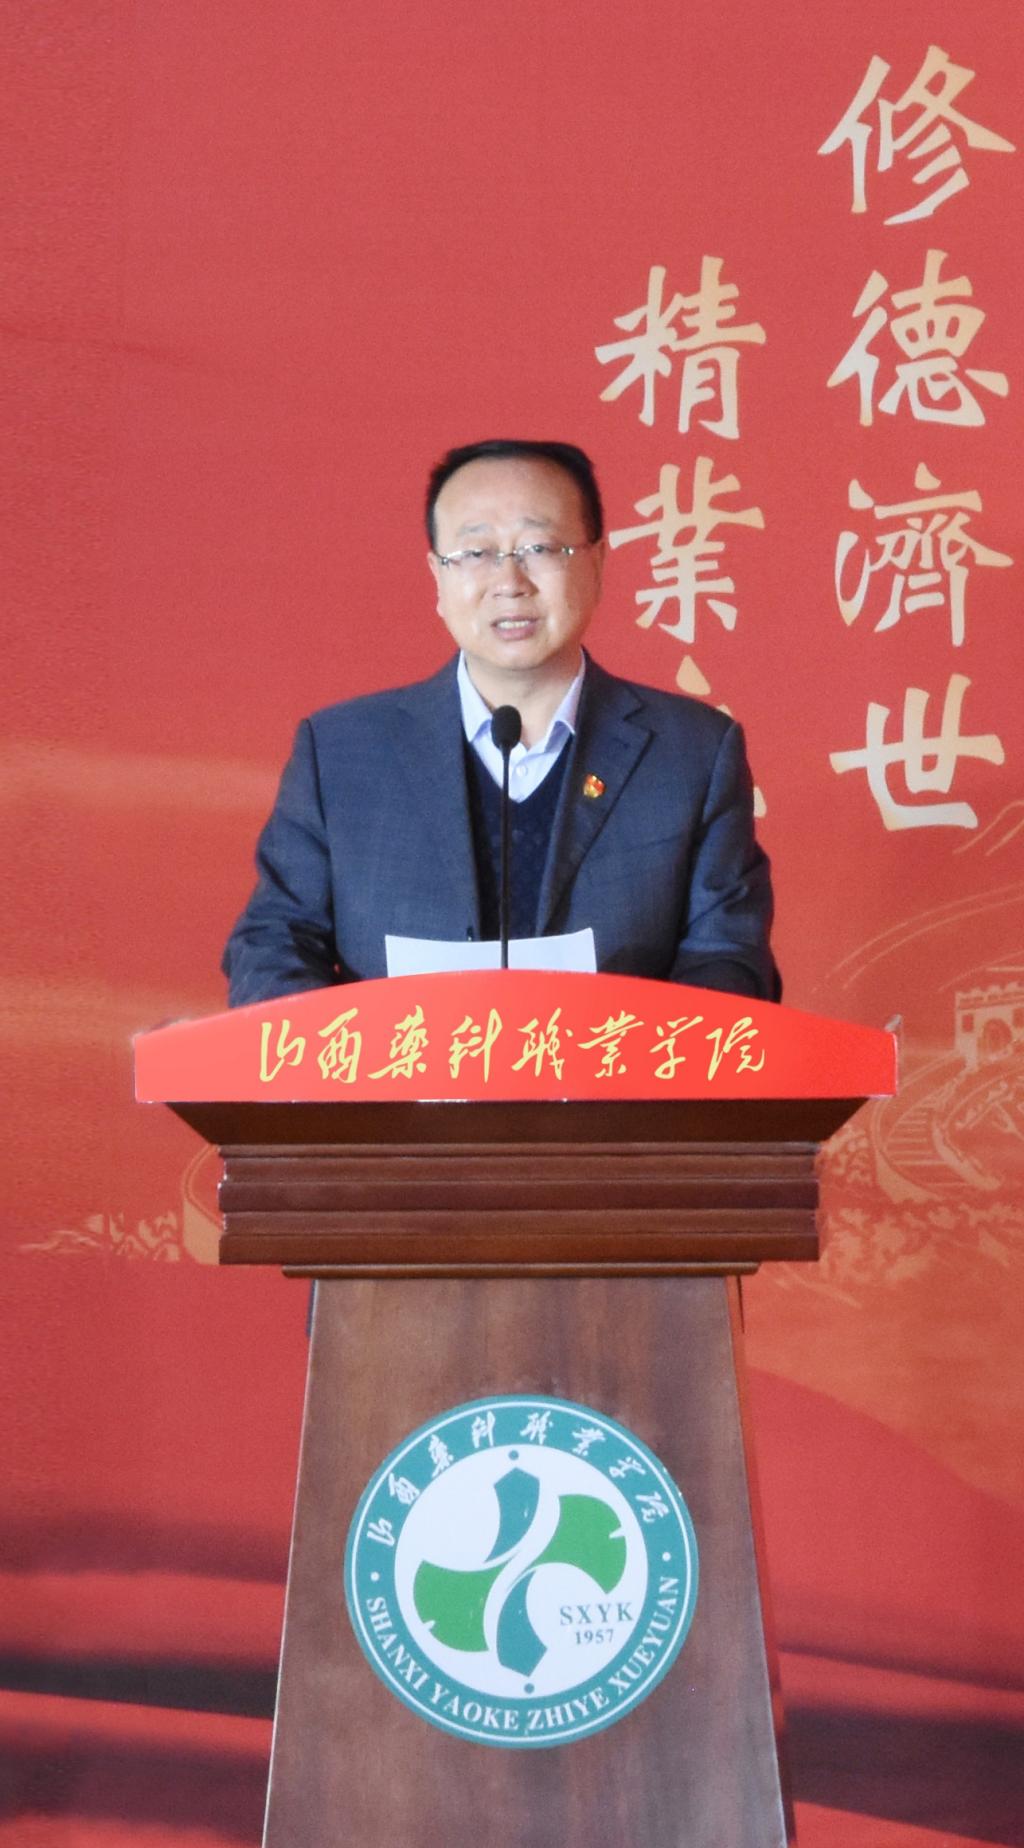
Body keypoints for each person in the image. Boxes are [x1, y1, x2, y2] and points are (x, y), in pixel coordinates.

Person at [223, 439, 780, 1006]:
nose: (510, 581)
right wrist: (344, 1053)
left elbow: (728, 956)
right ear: (437, 577)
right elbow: (274, 944)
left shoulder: (692, 753)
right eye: (476, 553)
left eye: (540, 547)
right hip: (395, 1067)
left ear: (596, 563)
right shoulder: (340, 753)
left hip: (618, 1064)